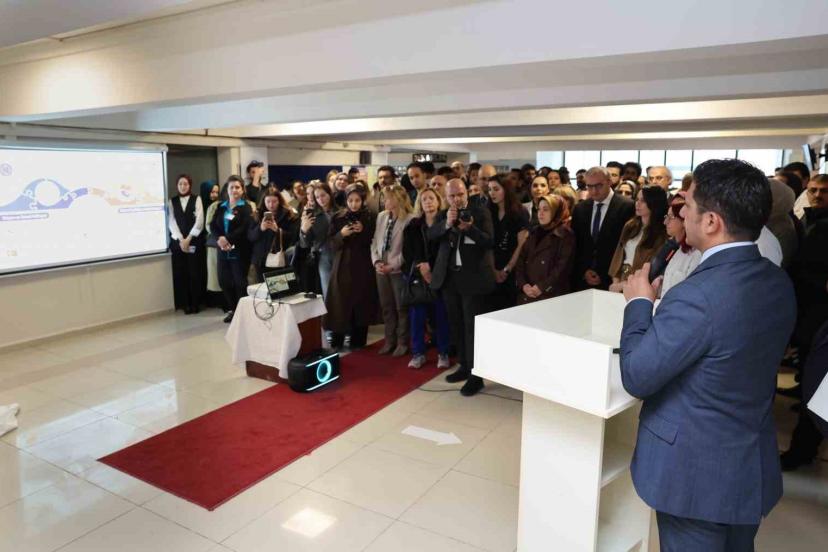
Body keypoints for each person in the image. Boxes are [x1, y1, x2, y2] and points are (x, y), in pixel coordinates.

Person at [619, 158, 796, 551]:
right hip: (747, 467)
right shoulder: (776, 280)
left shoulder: (697, 295)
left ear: (712, 221)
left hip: (695, 477)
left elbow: (636, 375)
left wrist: (639, 304)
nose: (681, 212)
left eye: (688, 204)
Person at [428, 179, 495, 397]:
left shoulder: (481, 212)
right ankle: (464, 366)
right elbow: (431, 235)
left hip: (473, 279)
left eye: (460, 194)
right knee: (456, 325)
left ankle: (477, 375)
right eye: (452, 196)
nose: (457, 199)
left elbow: (489, 241)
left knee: (471, 328)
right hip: (450, 279)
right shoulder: (444, 215)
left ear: (466, 192)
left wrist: (470, 229)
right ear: (446, 197)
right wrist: (447, 224)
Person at [782, 174, 828, 471]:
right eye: (813, 190)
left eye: (824, 191)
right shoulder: (808, 220)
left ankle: (803, 448)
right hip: (810, 312)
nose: (817, 195)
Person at [325, 184, 379, 349]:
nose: (354, 204)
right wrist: (341, 235)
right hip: (342, 264)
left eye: (357, 200)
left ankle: (358, 341)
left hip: (363, 264)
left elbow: (374, 240)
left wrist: (363, 231)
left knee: (361, 302)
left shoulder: (370, 217)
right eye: (350, 200)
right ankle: (337, 340)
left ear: (362, 200)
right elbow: (330, 244)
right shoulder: (337, 217)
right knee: (340, 303)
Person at [402, 188, 451, 370]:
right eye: (424, 199)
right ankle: (418, 353)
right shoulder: (413, 225)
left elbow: (447, 250)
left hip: (441, 277)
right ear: (420, 204)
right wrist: (422, 267)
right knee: (417, 316)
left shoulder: (446, 223)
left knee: (441, 316)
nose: (428, 202)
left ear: (438, 201)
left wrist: (433, 270)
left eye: (431, 198)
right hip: (419, 278)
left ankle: (443, 353)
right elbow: (407, 252)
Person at [571, 167, 635, 290]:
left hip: (613, 279)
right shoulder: (580, 209)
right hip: (583, 279)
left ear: (609, 182)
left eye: (599, 185)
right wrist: (584, 270)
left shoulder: (627, 206)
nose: (594, 191)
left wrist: (604, 273)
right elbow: (577, 245)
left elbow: (626, 246)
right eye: (589, 186)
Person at [371, 184, 414, 357]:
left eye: (387, 198)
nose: (384, 201)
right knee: (386, 307)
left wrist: (393, 265)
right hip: (381, 270)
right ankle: (389, 341)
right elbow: (374, 242)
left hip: (398, 271)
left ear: (397, 199)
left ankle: (402, 342)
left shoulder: (410, 219)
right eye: (384, 197)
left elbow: (408, 250)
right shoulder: (382, 216)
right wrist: (376, 261)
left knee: (401, 307)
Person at [515, 194, 575, 304]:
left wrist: (542, 287)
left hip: (551, 297)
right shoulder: (534, 231)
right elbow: (521, 260)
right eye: (539, 209)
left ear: (556, 211)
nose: (540, 213)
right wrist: (523, 284)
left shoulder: (565, 235)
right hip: (527, 294)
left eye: (546, 209)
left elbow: (562, 268)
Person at [608, 186, 669, 292]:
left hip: (642, 284)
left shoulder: (662, 233)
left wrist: (624, 284)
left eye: (643, 201)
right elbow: (618, 255)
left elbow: (654, 266)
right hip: (622, 277)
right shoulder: (630, 225)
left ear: (654, 203)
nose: (637, 203)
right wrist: (616, 282)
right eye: (637, 199)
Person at [210, 175, 254, 323]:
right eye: (231, 187)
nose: (234, 190)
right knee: (224, 281)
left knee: (240, 283)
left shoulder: (246, 207)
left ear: (242, 190)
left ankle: (243, 313)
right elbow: (213, 225)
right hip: (223, 250)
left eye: (237, 187)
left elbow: (244, 228)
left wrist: (227, 239)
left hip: (239, 250)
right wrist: (220, 239)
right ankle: (233, 310)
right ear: (227, 189)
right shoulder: (221, 206)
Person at [487, 174, 530, 311]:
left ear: (506, 189)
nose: (492, 193)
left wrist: (507, 269)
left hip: (512, 266)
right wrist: (493, 269)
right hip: (491, 266)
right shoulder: (488, 211)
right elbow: (487, 243)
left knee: (508, 307)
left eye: (496, 189)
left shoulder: (519, 211)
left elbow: (521, 245)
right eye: (489, 189)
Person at [168, 174, 205, 315]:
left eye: (185, 184)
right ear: (177, 186)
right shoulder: (172, 201)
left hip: (194, 241)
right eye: (180, 184)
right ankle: (184, 304)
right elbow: (171, 221)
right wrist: (180, 239)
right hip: (178, 243)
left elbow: (200, 221)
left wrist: (188, 238)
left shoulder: (197, 199)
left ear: (190, 185)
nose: (183, 186)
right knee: (181, 272)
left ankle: (195, 303)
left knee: (194, 272)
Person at [248, 187, 299, 281]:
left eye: (274, 201)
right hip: (261, 259)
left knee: (280, 286)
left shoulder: (288, 214)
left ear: (279, 201)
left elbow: (293, 237)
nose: (271, 205)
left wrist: (277, 230)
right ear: (264, 201)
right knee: (263, 286)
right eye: (268, 201)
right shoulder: (257, 214)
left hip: (279, 258)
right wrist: (260, 228)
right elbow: (250, 237)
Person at [659, 194, 702, 297]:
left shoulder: (696, 254)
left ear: (684, 221)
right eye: (666, 217)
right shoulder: (677, 249)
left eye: (671, 217)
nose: (665, 222)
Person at [299, 182, 336, 298]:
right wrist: (304, 230)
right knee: (328, 293)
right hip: (323, 255)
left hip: (341, 253)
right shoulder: (312, 215)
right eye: (317, 197)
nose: (321, 199)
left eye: (323, 195)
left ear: (329, 194)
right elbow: (305, 244)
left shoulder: (341, 211)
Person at [204, 183, 224, 309]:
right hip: (213, 242)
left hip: (225, 242)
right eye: (212, 192)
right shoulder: (213, 206)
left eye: (217, 192)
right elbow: (208, 225)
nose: (214, 195)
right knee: (214, 274)